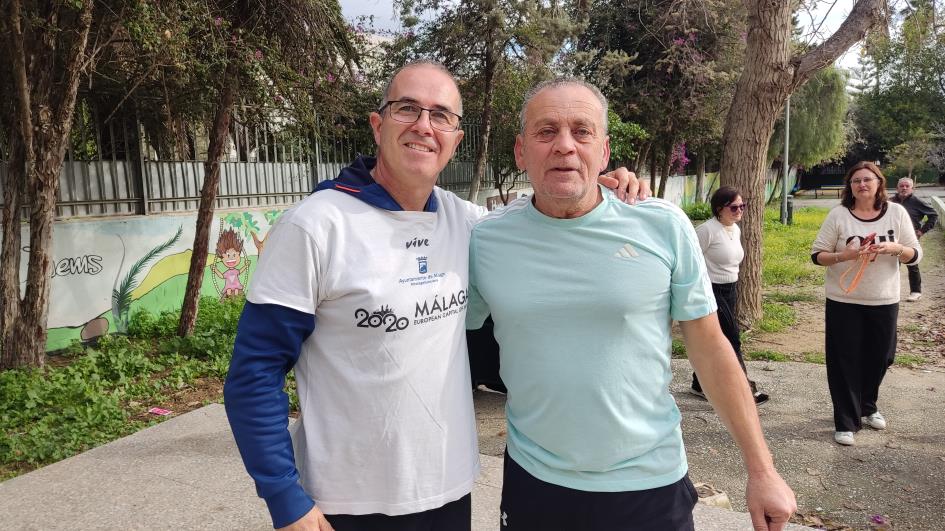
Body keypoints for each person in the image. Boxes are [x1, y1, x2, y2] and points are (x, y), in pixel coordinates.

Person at [223, 61, 647, 531]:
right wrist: (285, 498)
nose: (424, 126)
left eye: (441, 115)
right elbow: (254, 373)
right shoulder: (315, 226)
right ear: (378, 124)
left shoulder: (468, 224)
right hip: (344, 502)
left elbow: (544, 218)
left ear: (456, 139)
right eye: (408, 109)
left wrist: (599, 187)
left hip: (447, 490)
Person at [466, 77, 796, 531]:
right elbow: (443, 340)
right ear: (521, 151)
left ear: (604, 152)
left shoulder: (661, 225)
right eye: (546, 131)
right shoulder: (485, 239)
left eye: (582, 131)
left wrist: (762, 471)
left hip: (648, 482)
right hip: (534, 482)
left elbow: (710, 348)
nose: (564, 145)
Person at [811, 161, 922, 447]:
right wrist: (844, 255)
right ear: (849, 186)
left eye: (867, 179)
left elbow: (915, 254)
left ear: (879, 183)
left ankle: (867, 405)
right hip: (843, 300)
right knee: (844, 360)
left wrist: (897, 249)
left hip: (884, 299)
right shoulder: (838, 215)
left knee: (882, 357)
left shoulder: (896, 213)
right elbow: (817, 255)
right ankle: (846, 421)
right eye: (856, 180)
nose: (862, 184)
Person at [689, 186, 769, 405]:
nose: (739, 210)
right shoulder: (707, 230)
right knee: (732, 338)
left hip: (731, 289)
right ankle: (745, 390)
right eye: (734, 207)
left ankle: (699, 383)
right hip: (711, 290)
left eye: (742, 206)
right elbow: (690, 259)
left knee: (717, 338)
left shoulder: (735, 229)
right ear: (719, 208)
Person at [890, 177, 937, 302]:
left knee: (912, 264)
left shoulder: (917, 202)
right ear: (897, 188)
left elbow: (933, 215)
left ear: (912, 188)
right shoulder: (890, 201)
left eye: (907, 186)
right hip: (893, 237)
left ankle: (916, 291)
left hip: (910, 238)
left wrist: (922, 231)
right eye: (901, 186)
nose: (904, 188)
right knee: (892, 265)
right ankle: (892, 291)